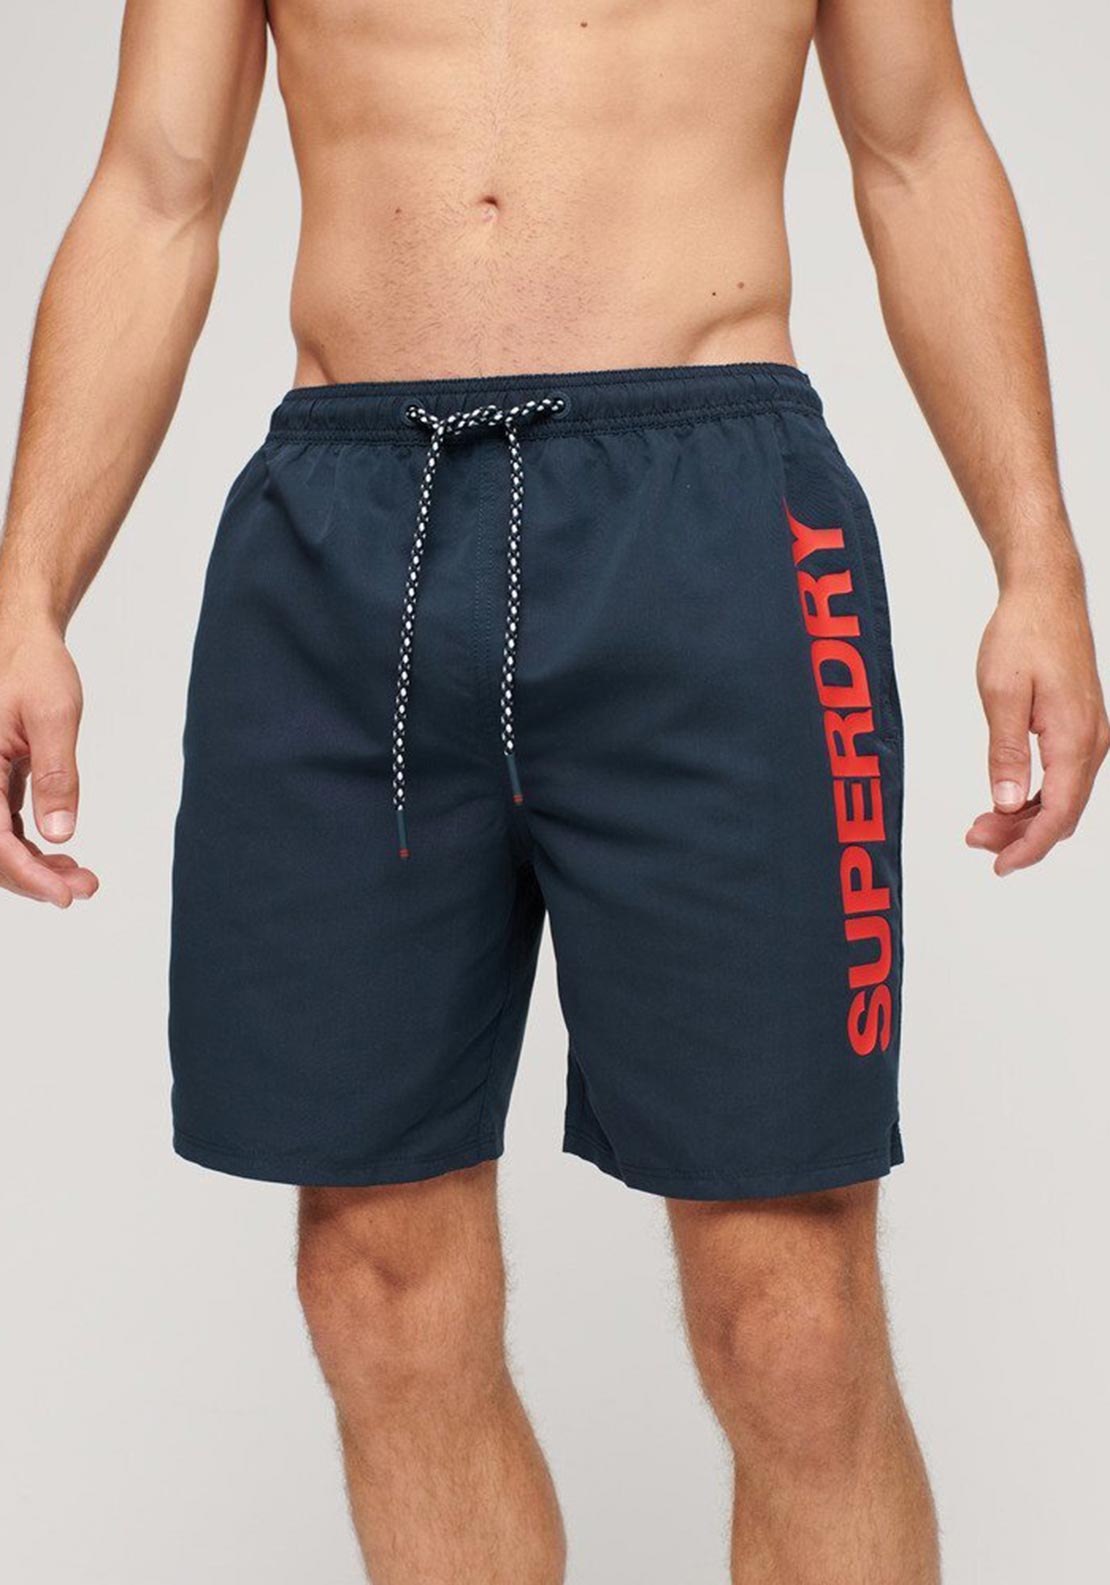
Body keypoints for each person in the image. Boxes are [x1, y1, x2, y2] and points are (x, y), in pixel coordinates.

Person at [1, 1, 1106, 1581]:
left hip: (710, 521)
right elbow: (155, 187)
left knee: (789, 1316)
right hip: (345, 536)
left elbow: (917, 146)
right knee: (375, 1286)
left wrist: (1036, 558)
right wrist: (28, 589)